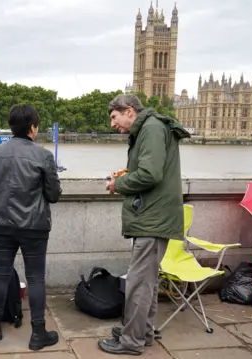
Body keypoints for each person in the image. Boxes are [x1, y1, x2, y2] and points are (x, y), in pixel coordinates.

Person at [101, 94, 190, 356]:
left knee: (139, 283)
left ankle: (131, 341)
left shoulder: (151, 128)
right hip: (153, 217)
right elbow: (151, 170)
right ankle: (143, 332)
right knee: (146, 282)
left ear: (129, 111)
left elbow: (151, 174)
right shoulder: (151, 127)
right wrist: (129, 174)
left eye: (114, 118)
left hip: (153, 219)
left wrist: (118, 184)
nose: (113, 125)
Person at [0, 104, 62, 351]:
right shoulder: (44, 155)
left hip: (0, 224)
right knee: (36, 277)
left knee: (1, 273)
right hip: (34, 226)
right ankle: (38, 333)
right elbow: (54, 194)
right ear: (33, 128)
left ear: (11, 126)